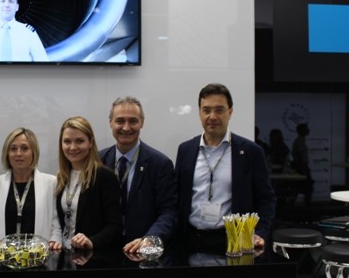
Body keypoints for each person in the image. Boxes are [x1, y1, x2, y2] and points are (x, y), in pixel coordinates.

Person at [176, 83, 276, 252]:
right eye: (206, 110)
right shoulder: (186, 150)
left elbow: (266, 199)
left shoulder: (250, 152)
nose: (212, 116)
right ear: (199, 113)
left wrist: (260, 233)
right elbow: (177, 198)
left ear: (230, 112)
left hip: (233, 242)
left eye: (219, 110)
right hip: (190, 240)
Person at [98, 96, 178, 254]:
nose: (126, 127)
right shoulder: (98, 161)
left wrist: (150, 239)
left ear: (142, 122)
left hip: (142, 251)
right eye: (120, 121)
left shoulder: (160, 164)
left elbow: (169, 212)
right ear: (110, 123)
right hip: (103, 251)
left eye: (133, 121)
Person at [0, 127, 62, 251]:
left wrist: (54, 241)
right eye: (13, 149)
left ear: (34, 152)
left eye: (24, 148)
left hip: (38, 256)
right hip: (4, 256)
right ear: (7, 154)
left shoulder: (51, 183)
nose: (18, 153)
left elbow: (56, 225)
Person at [56, 116, 123, 250]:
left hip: (91, 256)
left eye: (79, 141)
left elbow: (115, 226)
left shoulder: (104, 176)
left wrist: (92, 242)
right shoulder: (61, 177)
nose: (72, 147)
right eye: (67, 141)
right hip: (64, 254)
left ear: (90, 143)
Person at [291, 122, 313, 207]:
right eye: (306, 128)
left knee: (300, 188)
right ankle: (307, 207)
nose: (308, 130)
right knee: (307, 188)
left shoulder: (300, 140)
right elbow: (300, 156)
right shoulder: (300, 141)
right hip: (302, 166)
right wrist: (303, 169)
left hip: (302, 166)